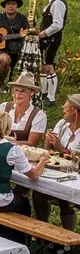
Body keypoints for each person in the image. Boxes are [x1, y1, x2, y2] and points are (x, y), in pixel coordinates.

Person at [33, 93, 80, 232]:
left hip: (75, 176)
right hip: (58, 173)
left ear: (75, 112)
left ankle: (68, 235)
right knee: (38, 191)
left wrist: (59, 146)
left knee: (63, 198)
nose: (63, 111)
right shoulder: (62, 124)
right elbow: (48, 151)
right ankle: (43, 229)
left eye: (66, 109)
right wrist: (48, 142)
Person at [38, 0, 70, 104]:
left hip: (51, 39)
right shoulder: (54, 1)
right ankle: (44, 94)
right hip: (49, 39)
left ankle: (50, 97)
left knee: (49, 66)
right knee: (45, 65)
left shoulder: (57, 2)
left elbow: (58, 24)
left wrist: (42, 34)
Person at [0, 73, 47, 146]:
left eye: (22, 91)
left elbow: (31, 143)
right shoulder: (3, 107)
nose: (18, 95)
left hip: (23, 155)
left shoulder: (39, 116)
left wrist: (10, 142)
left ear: (32, 93)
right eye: (16, 90)